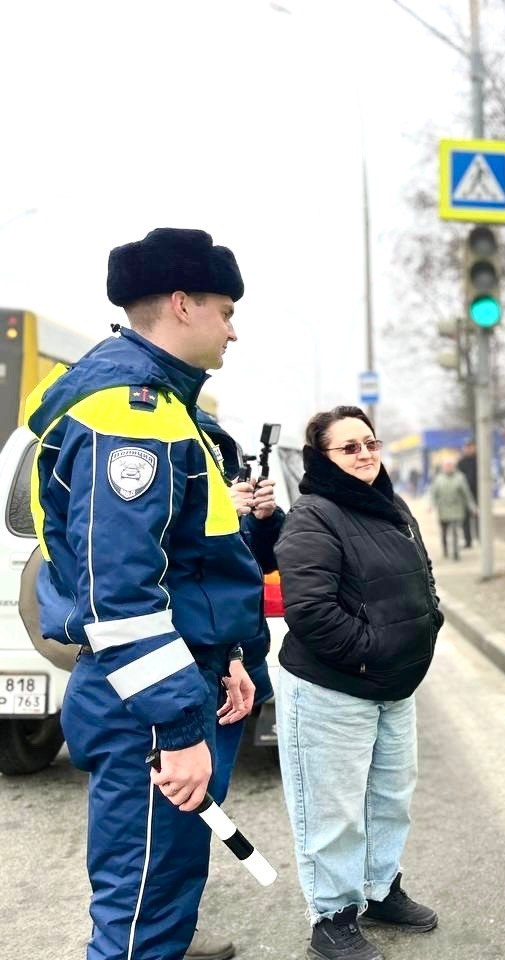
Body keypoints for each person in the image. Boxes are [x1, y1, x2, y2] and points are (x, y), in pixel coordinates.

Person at [27, 227, 264, 960]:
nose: (233, 327)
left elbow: (184, 561)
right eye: (225, 310)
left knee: (165, 881)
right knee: (138, 914)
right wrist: (177, 729)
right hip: (149, 703)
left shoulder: (165, 406)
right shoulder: (128, 414)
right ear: (182, 304)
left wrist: (227, 654)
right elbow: (122, 596)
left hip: (184, 678)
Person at [274, 405, 444, 960]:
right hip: (333, 688)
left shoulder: (391, 506)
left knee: (389, 798)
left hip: (393, 688)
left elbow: (424, 576)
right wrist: (372, 653)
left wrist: (428, 622)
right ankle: (332, 917)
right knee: (334, 810)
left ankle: (379, 890)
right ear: (321, 459)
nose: (366, 453)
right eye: (350, 447)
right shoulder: (314, 515)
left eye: (370, 443)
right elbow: (312, 612)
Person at [184, 410, 284, 960]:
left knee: (207, 796)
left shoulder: (229, 509)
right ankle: (159, 930)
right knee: (180, 804)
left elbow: (262, 566)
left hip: (234, 665)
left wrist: (263, 520)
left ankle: (176, 922)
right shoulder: (184, 505)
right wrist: (220, 515)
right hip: (194, 669)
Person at [428, 457, 475, 561]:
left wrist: (472, 506)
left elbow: (466, 493)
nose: (448, 468)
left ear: (453, 467)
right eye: (446, 466)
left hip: (456, 509)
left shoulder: (460, 477)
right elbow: (433, 493)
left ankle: (455, 553)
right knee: (444, 532)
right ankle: (445, 549)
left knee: (454, 531)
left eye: (450, 465)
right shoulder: (438, 478)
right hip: (443, 510)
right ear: (443, 467)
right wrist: (431, 505)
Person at [457, 438, 478, 548]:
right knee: (465, 519)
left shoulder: (479, 460)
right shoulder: (461, 462)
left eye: (471, 447)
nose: (469, 449)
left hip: (478, 494)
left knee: (479, 517)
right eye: (467, 447)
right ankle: (468, 541)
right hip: (464, 495)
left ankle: (480, 539)